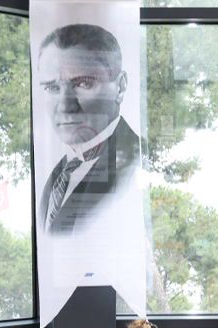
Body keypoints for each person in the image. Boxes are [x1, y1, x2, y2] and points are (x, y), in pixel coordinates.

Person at [36, 23, 140, 236]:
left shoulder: (136, 167)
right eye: (52, 88)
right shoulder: (57, 175)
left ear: (120, 87)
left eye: (83, 84)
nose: (65, 106)